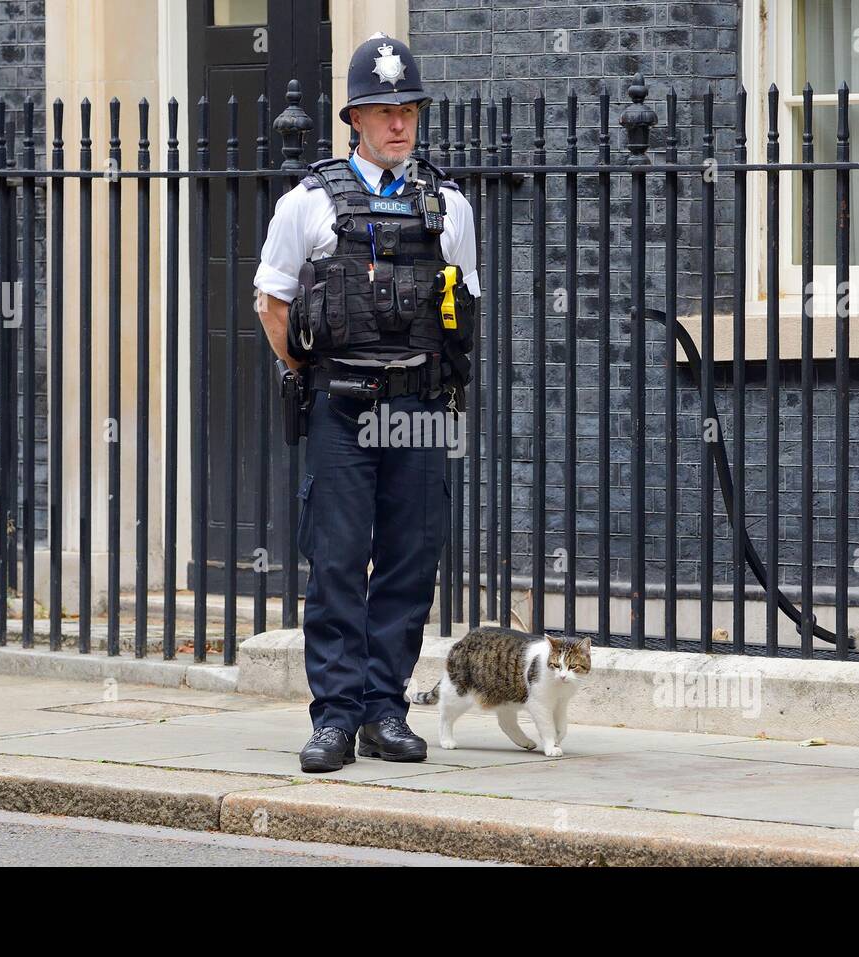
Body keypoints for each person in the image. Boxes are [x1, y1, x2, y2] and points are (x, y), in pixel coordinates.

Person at [253, 34, 481, 773]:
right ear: (354, 117)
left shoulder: (449, 205)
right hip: (342, 409)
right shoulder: (307, 204)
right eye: (382, 111)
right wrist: (313, 373)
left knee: (412, 559)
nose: (398, 124)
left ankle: (386, 708)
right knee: (339, 560)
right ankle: (335, 717)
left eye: (407, 109)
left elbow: (462, 306)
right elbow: (271, 304)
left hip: (418, 409)